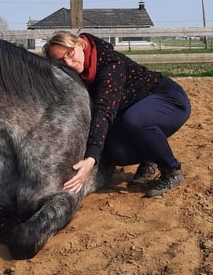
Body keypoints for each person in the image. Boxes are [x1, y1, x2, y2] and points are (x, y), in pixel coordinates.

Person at [43, 31, 191, 198]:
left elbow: (104, 110)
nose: (69, 63)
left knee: (135, 120)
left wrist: (91, 158)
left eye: (70, 53)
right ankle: (149, 157)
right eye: (61, 61)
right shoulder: (75, 74)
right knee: (114, 151)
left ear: (81, 45)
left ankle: (172, 171)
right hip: (135, 109)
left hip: (168, 99)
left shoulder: (110, 64)